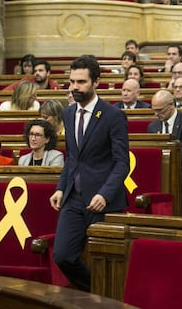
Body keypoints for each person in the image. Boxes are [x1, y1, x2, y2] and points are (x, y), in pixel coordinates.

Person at [50, 55, 129, 292]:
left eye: (81, 82)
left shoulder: (113, 115)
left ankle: (107, 297)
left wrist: (105, 194)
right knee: (62, 255)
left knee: (105, 262)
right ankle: (97, 291)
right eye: (72, 81)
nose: (75, 87)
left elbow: (122, 163)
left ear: (96, 82)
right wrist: (61, 188)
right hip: (73, 198)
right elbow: (72, 158)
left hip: (103, 201)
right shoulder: (68, 113)